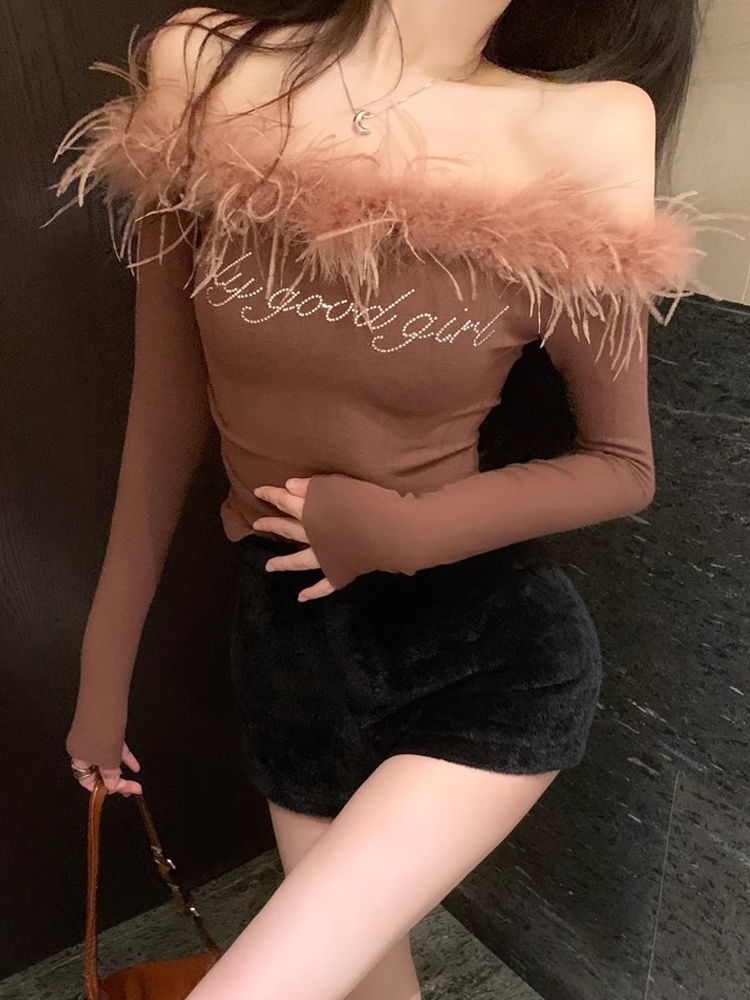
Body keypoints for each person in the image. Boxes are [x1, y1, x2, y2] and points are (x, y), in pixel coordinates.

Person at [50, 3, 713, 998]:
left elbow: (623, 464)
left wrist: (397, 529)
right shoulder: (206, 62)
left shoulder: (585, 127)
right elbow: (165, 411)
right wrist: (104, 670)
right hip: (289, 658)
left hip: (479, 652)